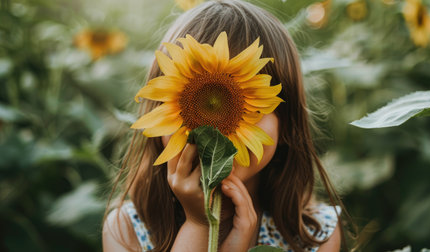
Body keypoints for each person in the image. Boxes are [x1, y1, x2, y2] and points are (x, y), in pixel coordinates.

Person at [102, 0, 347, 251]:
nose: (215, 133)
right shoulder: (126, 231)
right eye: (197, 112)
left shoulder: (315, 233)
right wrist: (199, 225)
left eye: (251, 110)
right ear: (160, 116)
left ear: (286, 125)